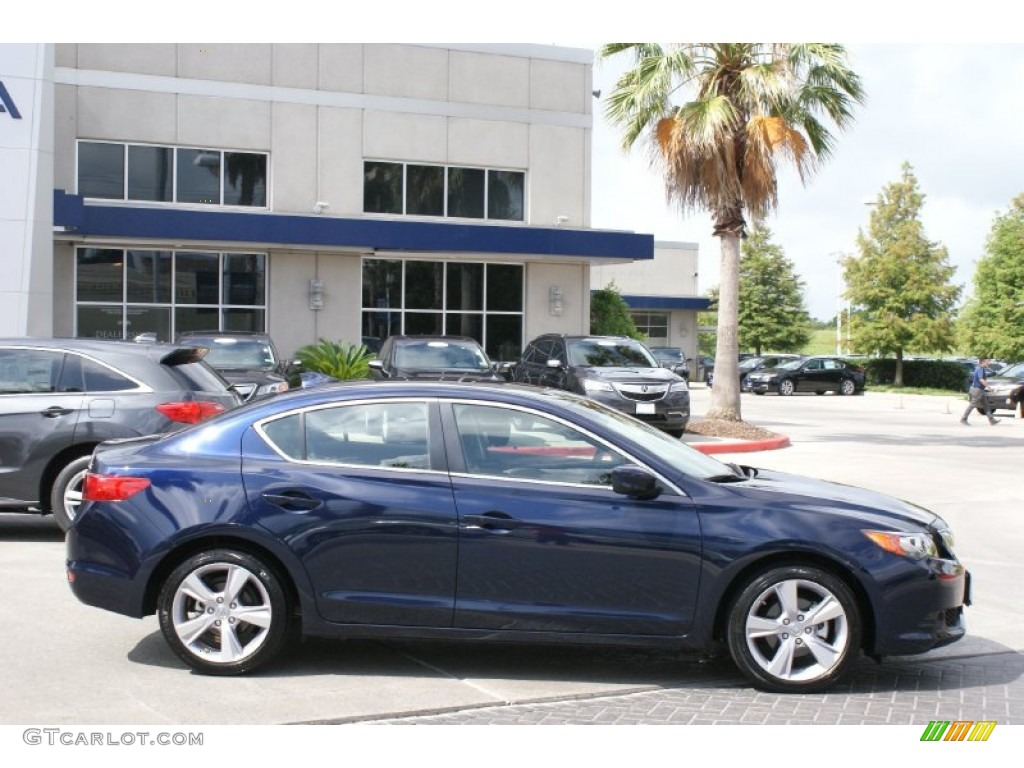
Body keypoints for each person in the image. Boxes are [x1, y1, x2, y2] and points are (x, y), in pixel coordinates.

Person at [961, 357, 999, 426]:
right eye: (987, 362)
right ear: (983, 362)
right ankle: (963, 419)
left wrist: (991, 374)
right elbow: (981, 379)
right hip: (977, 390)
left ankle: (992, 420)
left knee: (986, 405)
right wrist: (989, 388)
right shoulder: (980, 369)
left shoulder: (979, 368)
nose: (989, 363)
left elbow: (983, 376)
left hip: (979, 389)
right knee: (972, 405)